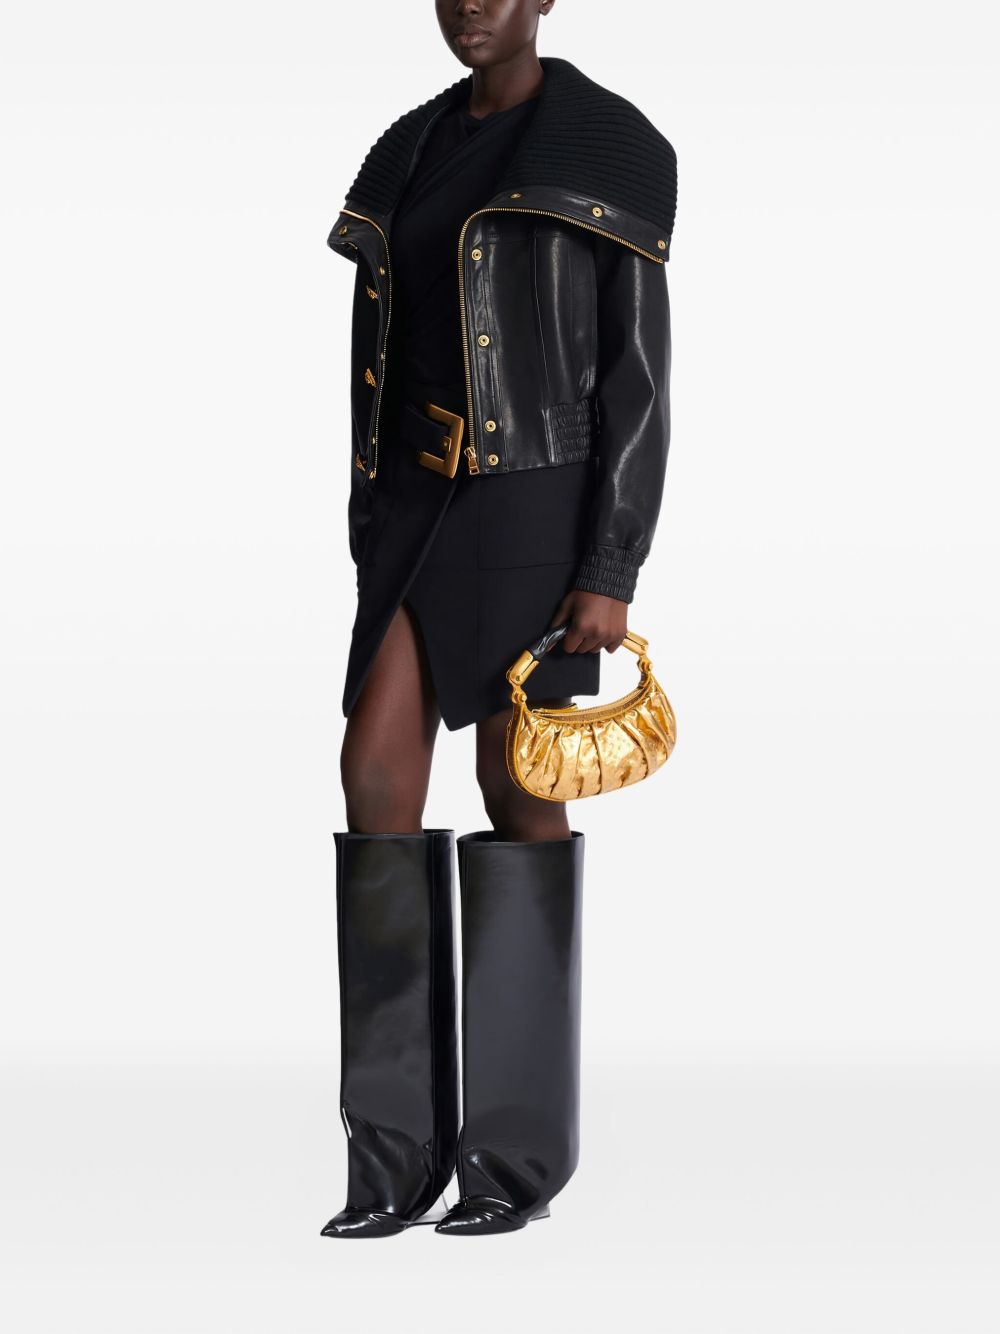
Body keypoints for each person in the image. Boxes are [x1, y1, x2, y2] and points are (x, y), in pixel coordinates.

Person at [321, 0, 676, 1237]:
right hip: (416, 503)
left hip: (535, 501)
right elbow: (377, 350)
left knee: (516, 785)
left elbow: (636, 378)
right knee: (375, 771)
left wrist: (610, 564)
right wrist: (367, 507)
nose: (471, 4)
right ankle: (393, 1152)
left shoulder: (607, 145)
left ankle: (513, 1159)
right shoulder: (408, 147)